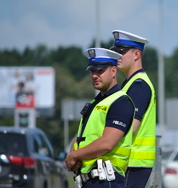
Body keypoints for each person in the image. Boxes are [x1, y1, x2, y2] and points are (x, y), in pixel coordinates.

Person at [65, 48, 135, 188]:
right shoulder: (94, 103)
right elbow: (84, 137)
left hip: (106, 180)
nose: (95, 76)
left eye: (100, 71)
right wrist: (73, 152)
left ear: (113, 71)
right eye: (92, 71)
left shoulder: (121, 102)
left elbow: (106, 143)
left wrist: (74, 156)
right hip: (90, 180)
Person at [110, 30, 156, 188]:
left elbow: (131, 127)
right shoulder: (131, 83)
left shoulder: (138, 85)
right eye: (115, 52)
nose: (117, 56)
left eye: (121, 52)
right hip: (131, 162)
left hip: (134, 163)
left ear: (136, 54)